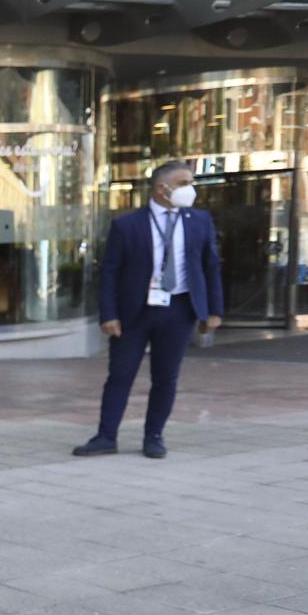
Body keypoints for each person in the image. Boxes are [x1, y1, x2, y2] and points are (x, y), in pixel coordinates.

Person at [74, 159, 224, 460]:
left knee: (166, 377)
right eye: (184, 183)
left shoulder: (199, 221)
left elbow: (211, 266)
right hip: (134, 313)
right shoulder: (127, 225)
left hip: (179, 310)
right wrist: (109, 314)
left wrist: (213, 311)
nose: (190, 190)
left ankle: (153, 437)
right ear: (161, 188)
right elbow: (110, 272)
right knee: (120, 375)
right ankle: (106, 436)